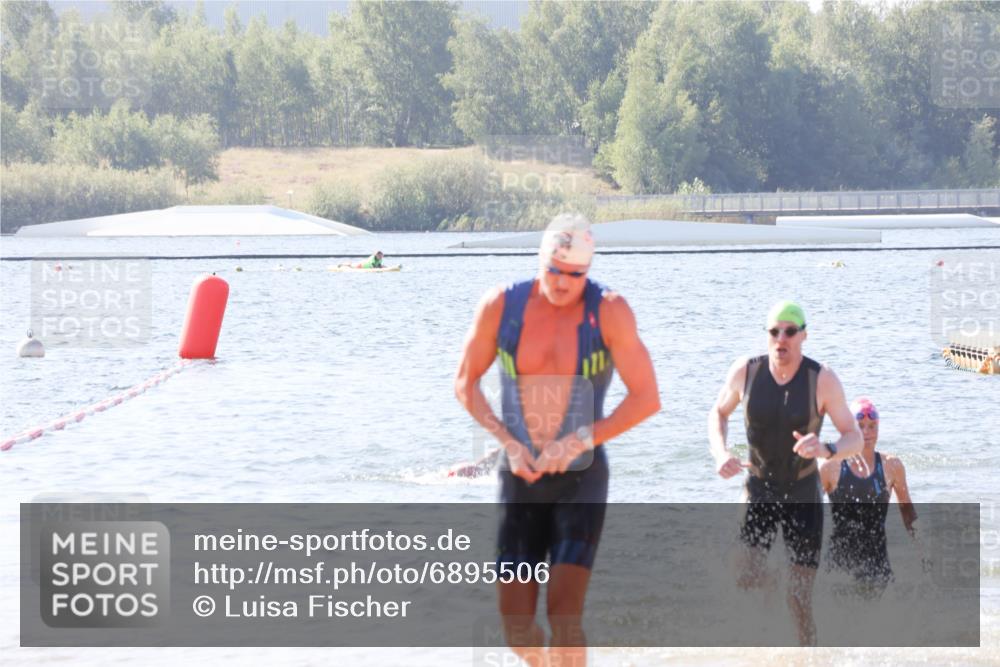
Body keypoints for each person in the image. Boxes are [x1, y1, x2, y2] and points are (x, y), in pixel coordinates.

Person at [454, 213, 660, 667]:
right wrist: (507, 442)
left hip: (580, 480)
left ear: (587, 272)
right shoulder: (501, 306)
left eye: (575, 274)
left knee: (565, 613)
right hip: (519, 477)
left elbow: (647, 398)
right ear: (539, 259)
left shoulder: (609, 310)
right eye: (554, 270)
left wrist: (579, 439)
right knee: (516, 626)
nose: (564, 283)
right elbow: (465, 383)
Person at [708, 300, 863, 646]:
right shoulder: (745, 371)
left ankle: (808, 659)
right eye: (774, 331)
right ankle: (774, 581)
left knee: (800, 601)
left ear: (803, 335)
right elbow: (718, 413)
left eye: (789, 331)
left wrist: (826, 449)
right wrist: (721, 453)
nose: (781, 338)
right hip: (758, 489)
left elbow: (854, 436)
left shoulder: (822, 379)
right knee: (745, 577)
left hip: (803, 494)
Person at [820, 396, 918, 598]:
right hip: (838, 569)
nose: (867, 432)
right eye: (860, 426)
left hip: (878, 568)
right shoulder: (830, 467)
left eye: (872, 426)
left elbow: (909, 516)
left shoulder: (892, 466)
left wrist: (923, 550)